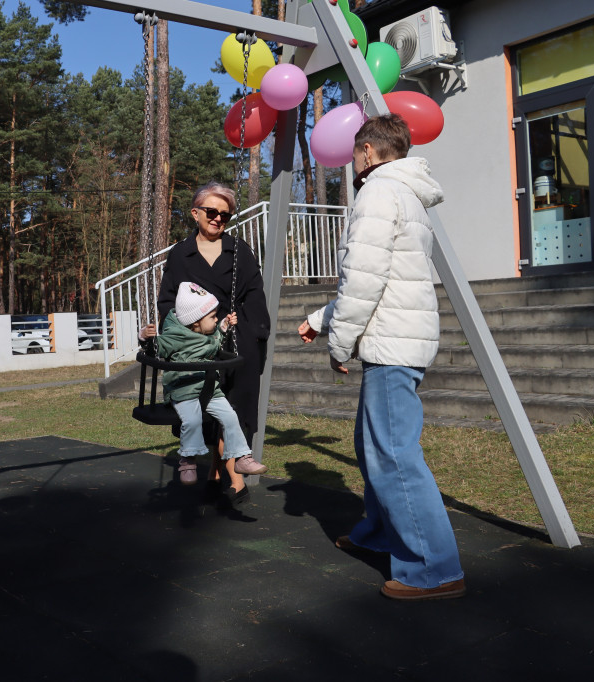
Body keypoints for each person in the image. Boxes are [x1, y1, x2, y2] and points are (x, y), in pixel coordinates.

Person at [298, 113, 465, 601]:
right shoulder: (406, 193)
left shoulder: (375, 192)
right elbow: (380, 278)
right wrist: (320, 317)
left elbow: (362, 281)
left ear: (368, 152)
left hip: (391, 343)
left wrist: (338, 344)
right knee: (373, 448)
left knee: (393, 455)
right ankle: (380, 532)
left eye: (354, 153)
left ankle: (434, 568)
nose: (352, 161)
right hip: (401, 335)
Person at [157, 181, 270, 506]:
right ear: (195, 213)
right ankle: (234, 480)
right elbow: (167, 301)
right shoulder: (181, 254)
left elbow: (254, 294)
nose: (218, 219)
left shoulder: (240, 250)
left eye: (225, 214)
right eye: (211, 212)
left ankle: (218, 475)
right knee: (206, 406)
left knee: (234, 407)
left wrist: (254, 331)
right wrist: (185, 332)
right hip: (196, 348)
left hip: (238, 342)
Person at [155, 282, 259, 493]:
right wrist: (146, 339)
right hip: (183, 391)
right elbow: (157, 348)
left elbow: (214, 343)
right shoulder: (173, 337)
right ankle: (187, 462)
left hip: (208, 389)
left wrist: (223, 327)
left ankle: (242, 457)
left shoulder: (205, 336)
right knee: (192, 420)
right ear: (195, 322)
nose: (215, 319)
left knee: (230, 417)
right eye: (212, 317)